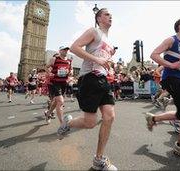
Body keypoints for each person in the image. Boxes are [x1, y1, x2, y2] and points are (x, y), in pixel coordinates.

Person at [57, 8, 118, 170]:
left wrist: (109, 65)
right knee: (90, 123)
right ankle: (68, 123)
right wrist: (96, 58)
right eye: (106, 14)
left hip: (103, 79)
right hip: (89, 78)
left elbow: (104, 60)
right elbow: (75, 47)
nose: (110, 16)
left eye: (111, 15)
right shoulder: (94, 32)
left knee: (109, 116)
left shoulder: (110, 42)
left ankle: (99, 159)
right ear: (98, 19)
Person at [145, 18, 180, 161]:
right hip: (171, 79)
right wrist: (170, 65)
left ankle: (153, 118)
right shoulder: (171, 40)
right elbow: (154, 54)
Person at [44, 46, 72, 124]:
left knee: (56, 102)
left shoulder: (69, 61)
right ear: (60, 51)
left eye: (67, 50)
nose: (66, 51)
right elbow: (46, 67)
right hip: (55, 82)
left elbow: (71, 70)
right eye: (64, 50)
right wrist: (49, 73)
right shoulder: (54, 59)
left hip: (64, 83)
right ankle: (62, 124)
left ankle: (48, 113)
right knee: (60, 101)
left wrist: (70, 72)